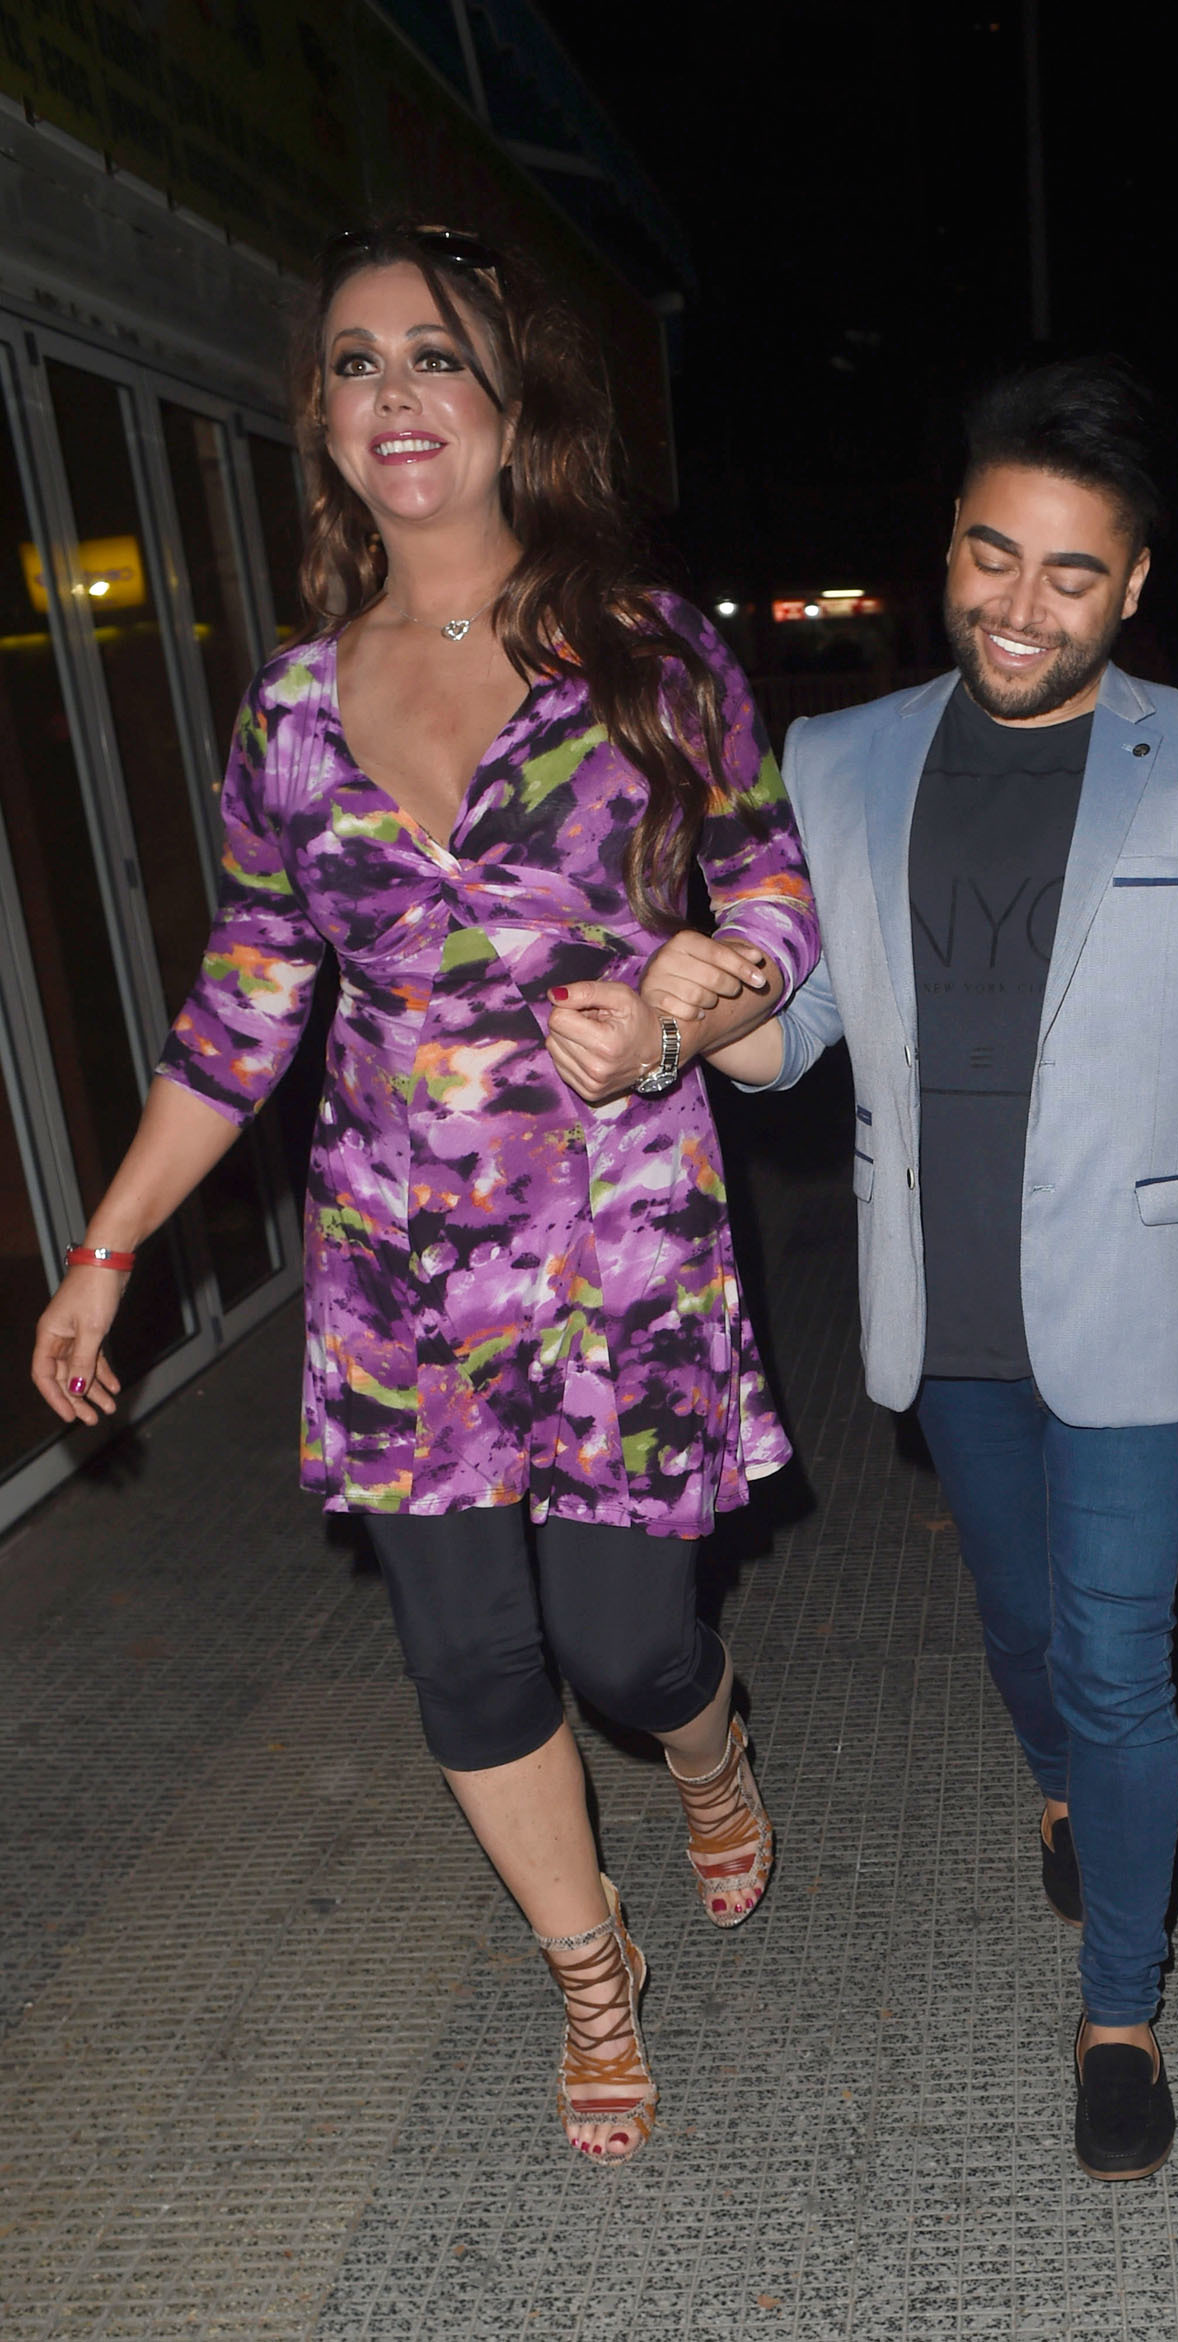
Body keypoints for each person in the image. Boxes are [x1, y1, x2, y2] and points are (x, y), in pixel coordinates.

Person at [28, 224, 818, 2165]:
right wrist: (106, 1249)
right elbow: (242, 1010)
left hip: (623, 1234)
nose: (395, 392)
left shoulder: (648, 652)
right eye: (358, 360)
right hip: (397, 1259)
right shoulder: (292, 716)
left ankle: (707, 1743)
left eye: (436, 355)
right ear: (322, 418)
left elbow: (772, 894)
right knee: (465, 1653)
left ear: (510, 400)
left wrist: (677, 1003)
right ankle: (590, 1965)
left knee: (627, 1644)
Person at [660, 358, 1178, 2179]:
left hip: (1139, 1290)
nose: (1022, 604)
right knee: (1024, 1632)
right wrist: (689, 1009)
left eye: (1072, 572)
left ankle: (1121, 2011)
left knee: (1119, 1662)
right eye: (991, 554)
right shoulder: (838, 759)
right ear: (948, 543)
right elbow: (793, 1033)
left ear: (1136, 583)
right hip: (944, 1295)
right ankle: (1059, 1789)